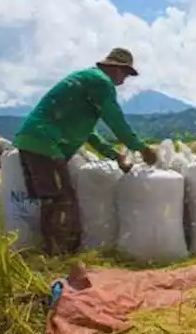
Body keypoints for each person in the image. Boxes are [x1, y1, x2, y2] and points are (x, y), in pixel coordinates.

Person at [12, 48, 156, 256]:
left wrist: (116, 156)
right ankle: (57, 255)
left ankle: (51, 252)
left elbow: (90, 135)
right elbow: (116, 121)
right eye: (125, 74)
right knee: (61, 201)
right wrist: (141, 148)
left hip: (32, 141)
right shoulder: (101, 83)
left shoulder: (87, 81)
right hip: (45, 144)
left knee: (52, 200)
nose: (124, 81)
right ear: (115, 68)